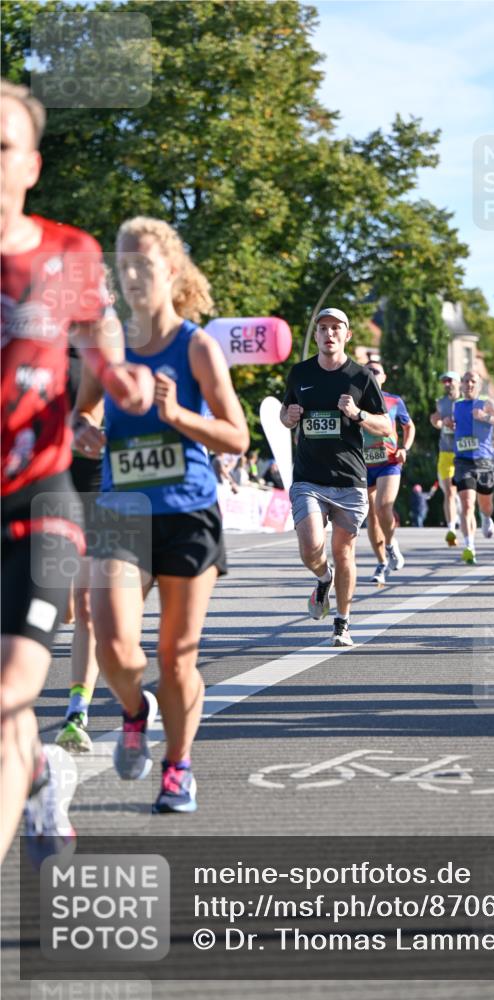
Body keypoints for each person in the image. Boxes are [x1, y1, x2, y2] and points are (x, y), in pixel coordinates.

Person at [0, 81, 154, 864]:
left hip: (37, 498)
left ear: (30, 162)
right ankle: (40, 774)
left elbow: (98, 331)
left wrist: (116, 373)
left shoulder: (67, 253)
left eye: (0, 147)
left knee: (7, 692)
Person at [75, 216, 248, 815]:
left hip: (187, 514)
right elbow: (83, 416)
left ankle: (177, 766)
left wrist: (181, 419)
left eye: (143, 265)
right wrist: (85, 433)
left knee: (177, 659)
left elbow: (237, 436)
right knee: (116, 650)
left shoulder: (196, 346)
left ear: (170, 271)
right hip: (121, 514)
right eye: (122, 266)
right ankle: (133, 710)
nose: (132, 276)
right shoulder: (110, 343)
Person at [280, 307, 390, 646]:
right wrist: (289, 416)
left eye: (336, 328)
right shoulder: (299, 373)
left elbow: (385, 426)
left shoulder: (361, 377)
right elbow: (285, 414)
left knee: (344, 551)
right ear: (315, 335)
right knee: (311, 546)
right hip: (309, 477)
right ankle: (322, 577)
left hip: (349, 478)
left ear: (347, 335)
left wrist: (357, 414)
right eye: (323, 328)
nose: (329, 333)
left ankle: (342, 623)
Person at [56, 289, 123, 754]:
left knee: (85, 603)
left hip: (103, 482)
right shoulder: (41, 347)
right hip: (48, 481)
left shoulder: (122, 353)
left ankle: (76, 710)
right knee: (60, 605)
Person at [362, 361, 415, 586]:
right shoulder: (354, 400)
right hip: (363, 463)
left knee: (384, 506)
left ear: (383, 377)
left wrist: (405, 448)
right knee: (371, 516)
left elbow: (409, 426)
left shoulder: (394, 400)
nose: (371, 374)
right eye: (367, 371)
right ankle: (382, 562)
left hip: (389, 461)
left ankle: (391, 545)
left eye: (375, 371)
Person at [452, 371, 494, 565]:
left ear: (479, 384)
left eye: (473, 381)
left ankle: (486, 517)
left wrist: (486, 418)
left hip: (484, 460)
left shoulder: (487, 403)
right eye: (466, 381)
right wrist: (445, 423)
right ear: (461, 384)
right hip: (462, 460)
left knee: (485, 504)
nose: (469, 384)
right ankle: (469, 546)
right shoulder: (456, 405)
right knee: (467, 503)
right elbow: (448, 424)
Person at [430, 371, 461, 545]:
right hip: (446, 451)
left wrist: (458, 424)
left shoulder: (465, 402)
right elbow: (436, 420)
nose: (447, 384)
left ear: (458, 382)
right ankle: (451, 530)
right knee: (449, 491)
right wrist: (437, 422)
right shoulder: (441, 402)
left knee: (465, 494)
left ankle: (469, 520)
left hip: (464, 452)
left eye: (450, 381)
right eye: (444, 382)